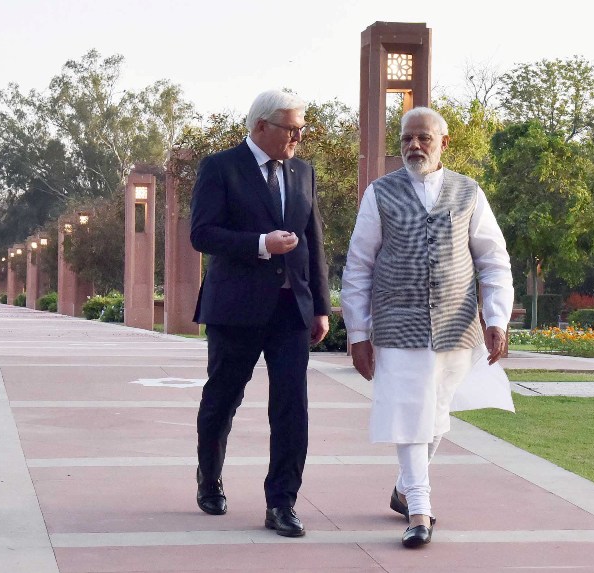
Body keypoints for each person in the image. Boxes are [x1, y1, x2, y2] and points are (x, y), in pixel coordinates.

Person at [341, 106, 514, 548]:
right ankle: (420, 509)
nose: (414, 146)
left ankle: (403, 488)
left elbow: (493, 260)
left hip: (456, 325)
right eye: (406, 139)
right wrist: (358, 333)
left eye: (423, 138)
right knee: (410, 415)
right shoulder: (379, 193)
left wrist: (496, 318)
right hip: (398, 324)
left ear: (443, 143)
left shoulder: (469, 192)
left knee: (435, 413)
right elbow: (359, 265)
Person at [190, 90, 331, 537]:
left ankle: (281, 503)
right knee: (222, 401)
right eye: (291, 128)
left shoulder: (302, 172)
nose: (299, 136)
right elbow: (202, 233)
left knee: (292, 408)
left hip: (292, 310)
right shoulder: (220, 167)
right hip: (235, 310)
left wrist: (321, 307)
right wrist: (260, 245)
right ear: (261, 127)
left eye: (301, 128)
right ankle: (208, 478)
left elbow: (313, 241)